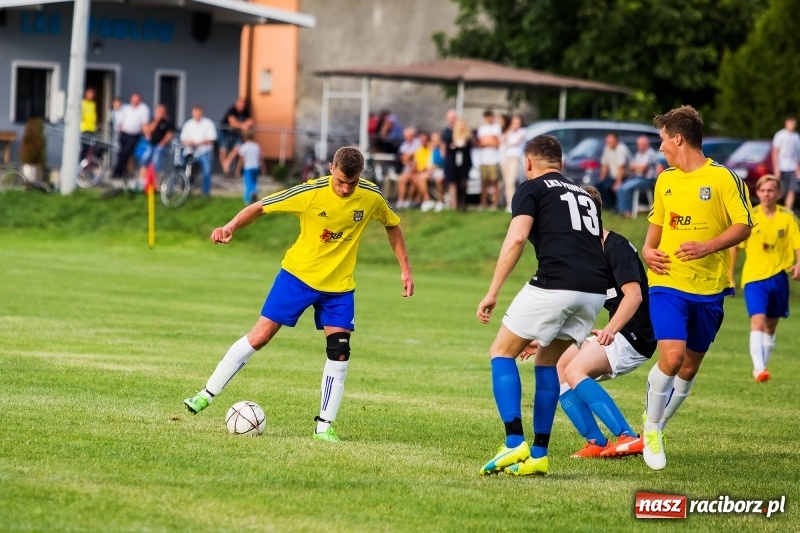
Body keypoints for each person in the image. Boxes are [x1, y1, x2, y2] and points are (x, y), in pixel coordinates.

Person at [183, 147, 414, 443]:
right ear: (331, 168)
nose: (345, 189)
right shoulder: (311, 192)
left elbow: (393, 224)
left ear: (361, 176)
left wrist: (405, 270)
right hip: (297, 278)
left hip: (339, 288)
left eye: (352, 183)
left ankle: (324, 426)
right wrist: (230, 227)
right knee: (260, 336)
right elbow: (260, 207)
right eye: (341, 181)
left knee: (340, 351)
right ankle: (206, 394)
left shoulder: (371, 196)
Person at [476, 135, 608, 476]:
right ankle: (538, 454)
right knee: (547, 363)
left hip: (556, 283)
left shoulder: (531, 187)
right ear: (561, 165)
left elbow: (517, 237)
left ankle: (513, 441)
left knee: (501, 353)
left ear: (528, 163)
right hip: (593, 290)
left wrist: (493, 291)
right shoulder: (585, 195)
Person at [641, 105, 753, 471]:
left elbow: (743, 226)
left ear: (678, 138)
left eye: (662, 140)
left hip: (709, 288)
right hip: (667, 282)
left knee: (688, 370)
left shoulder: (723, 179)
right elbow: (654, 234)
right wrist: (646, 252)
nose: (660, 148)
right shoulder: (665, 180)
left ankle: (659, 421)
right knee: (671, 359)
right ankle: (651, 429)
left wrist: (706, 247)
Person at [520, 186, 656, 459]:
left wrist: (610, 329)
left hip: (635, 335)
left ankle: (628, 437)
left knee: (574, 371)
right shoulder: (589, 254)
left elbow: (635, 296)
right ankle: (596, 441)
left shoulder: (616, 248)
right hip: (616, 331)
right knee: (556, 367)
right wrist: (545, 341)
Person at [729, 175, 800, 382]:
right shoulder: (750, 217)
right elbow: (735, 247)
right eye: (763, 190)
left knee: (770, 326)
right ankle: (759, 369)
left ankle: (763, 366)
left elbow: (797, 243)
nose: (767, 194)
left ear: (778, 193)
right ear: (757, 193)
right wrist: (730, 275)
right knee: (758, 322)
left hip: (778, 277)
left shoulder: (787, 217)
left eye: (771, 190)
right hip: (754, 278)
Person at [179, 104, 217, 196]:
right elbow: (182, 139)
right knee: (181, 166)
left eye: (199, 114)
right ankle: (184, 187)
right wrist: (190, 142)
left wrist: (199, 143)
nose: (197, 116)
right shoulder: (188, 124)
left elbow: (212, 139)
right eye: (195, 114)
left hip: (203, 152)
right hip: (189, 151)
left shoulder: (208, 123)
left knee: (206, 170)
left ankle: (205, 192)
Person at [112, 92, 150, 183]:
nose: (134, 101)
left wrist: (148, 136)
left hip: (134, 135)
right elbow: (121, 120)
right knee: (122, 153)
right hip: (124, 134)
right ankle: (123, 172)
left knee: (126, 152)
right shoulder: (127, 108)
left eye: (136, 100)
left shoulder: (143, 109)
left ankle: (118, 172)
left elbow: (144, 123)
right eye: (133, 100)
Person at [617, 136, 658, 218]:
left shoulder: (650, 154)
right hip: (637, 178)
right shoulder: (639, 154)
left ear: (647, 144)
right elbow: (630, 166)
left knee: (625, 188)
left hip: (647, 180)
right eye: (639, 145)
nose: (641, 147)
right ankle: (623, 210)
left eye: (643, 145)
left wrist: (636, 167)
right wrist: (637, 167)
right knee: (620, 187)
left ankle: (628, 212)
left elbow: (643, 169)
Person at [138, 103, 174, 181]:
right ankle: (141, 181)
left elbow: (169, 135)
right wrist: (157, 120)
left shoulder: (168, 121)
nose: (160, 113)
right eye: (158, 111)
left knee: (155, 162)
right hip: (151, 144)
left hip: (161, 146)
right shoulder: (153, 120)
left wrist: (162, 143)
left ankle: (152, 182)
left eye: (162, 111)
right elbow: (149, 130)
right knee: (144, 160)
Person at [771, 116, 800, 211]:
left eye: (794, 123)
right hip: (782, 167)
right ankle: (772, 208)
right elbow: (775, 152)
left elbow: (797, 153)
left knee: (792, 190)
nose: (792, 125)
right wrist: (776, 168)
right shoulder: (780, 135)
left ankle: (788, 211)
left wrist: (798, 168)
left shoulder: (796, 136)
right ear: (786, 123)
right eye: (790, 123)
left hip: (792, 168)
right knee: (780, 191)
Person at [597, 132, 631, 211]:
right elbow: (605, 165)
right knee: (599, 185)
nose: (609, 143)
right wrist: (601, 179)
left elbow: (621, 167)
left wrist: (618, 182)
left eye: (610, 141)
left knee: (611, 187)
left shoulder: (621, 148)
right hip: (613, 176)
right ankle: (608, 206)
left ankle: (616, 206)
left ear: (616, 140)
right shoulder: (607, 148)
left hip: (624, 176)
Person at [220, 98, 254, 175]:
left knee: (238, 147)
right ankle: (225, 169)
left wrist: (246, 124)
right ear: (236, 103)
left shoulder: (245, 111)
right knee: (223, 149)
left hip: (234, 132)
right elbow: (232, 122)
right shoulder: (232, 110)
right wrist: (242, 126)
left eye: (243, 105)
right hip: (224, 131)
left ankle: (227, 163)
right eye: (240, 104)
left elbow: (250, 120)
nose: (242, 106)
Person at [477, 110, 502, 211]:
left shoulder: (497, 128)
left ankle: (494, 204)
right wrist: (489, 140)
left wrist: (488, 141)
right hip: (484, 159)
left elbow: (496, 142)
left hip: (494, 159)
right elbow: (480, 142)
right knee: (484, 182)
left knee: (494, 182)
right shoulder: (482, 129)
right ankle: (482, 203)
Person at [445, 119, 472, 211]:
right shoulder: (452, 136)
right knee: (455, 183)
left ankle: (463, 203)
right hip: (455, 163)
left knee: (463, 183)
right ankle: (455, 204)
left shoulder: (468, 137)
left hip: (464, 163)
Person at [501, 115, 525, 213]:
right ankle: (508, 202)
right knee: (506, 182)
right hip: (506, 158)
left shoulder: (522, 132)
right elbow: (501, 140)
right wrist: (509, 130)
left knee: (511, 181)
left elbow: (513, 142)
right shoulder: (509, 132)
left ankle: (512, 203)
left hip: (515, 158)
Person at [237, 130, 264, 204]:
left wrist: (238, 169)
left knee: (248, 183)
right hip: (255, 166)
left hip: (248, 167)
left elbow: (241, 160)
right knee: (254, 182)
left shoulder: (244, 147)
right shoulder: (256, 146)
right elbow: (260, 158)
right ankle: (254, 193)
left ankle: (247, 199)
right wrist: (263, 169)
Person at [79, 87, 97, 162]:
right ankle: (80, 163)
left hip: (92, 129)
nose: (91, 95)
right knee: (83, 148)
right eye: (89, 93)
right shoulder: (82, 103)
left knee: (90, 149)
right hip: (83, 129)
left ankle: (85, 165)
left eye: (92, 94)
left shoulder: (93, 104)